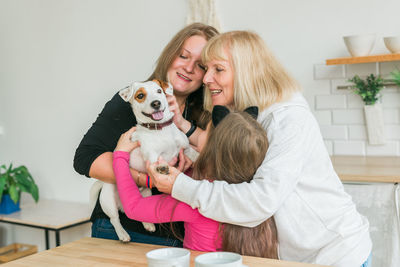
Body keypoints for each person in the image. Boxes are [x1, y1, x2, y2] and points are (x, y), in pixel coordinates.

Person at [147, 31, 372, 267]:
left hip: (335, 255)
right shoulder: (244, 112)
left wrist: (180, 186)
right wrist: (184, 134)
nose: (206, 78)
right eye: (207, 68)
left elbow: (260, 201)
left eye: (219, 69)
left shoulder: (288, 118)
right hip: (296, 257)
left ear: (247, 71)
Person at [73, 23, 218, 246]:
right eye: (183, 56)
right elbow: (85, 159)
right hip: (123, 230)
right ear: (170, 56)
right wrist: (145, 179)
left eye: (200, 65)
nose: (189, 68)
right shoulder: (133, 102)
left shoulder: (207, 115)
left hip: (180, 235)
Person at [113, 107, 278, 258]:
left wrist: (120, 156)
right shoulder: (261, 202)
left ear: (212, 146)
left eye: (205, 130)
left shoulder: (195, 201)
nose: (201, 132)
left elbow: (134, 208)